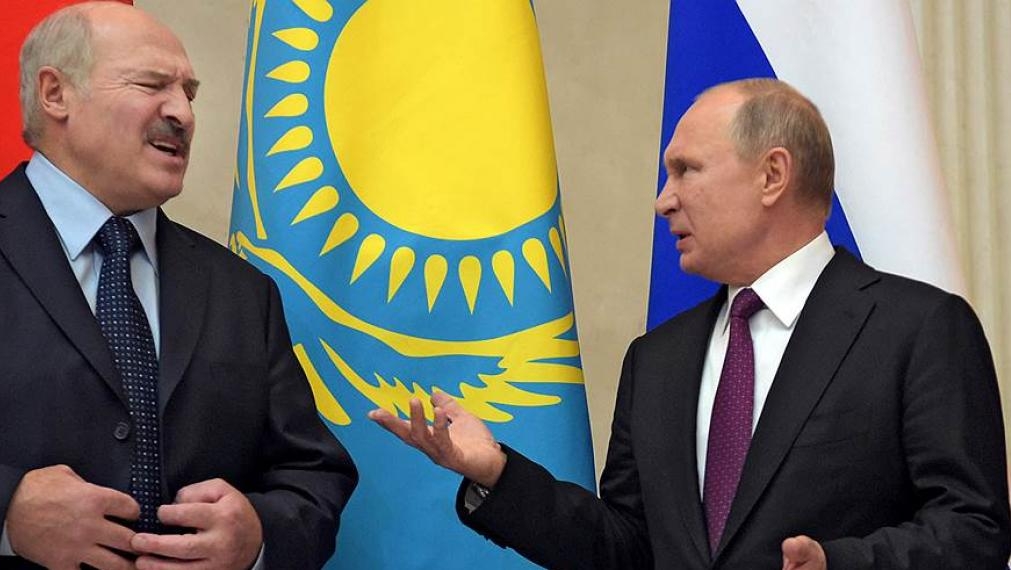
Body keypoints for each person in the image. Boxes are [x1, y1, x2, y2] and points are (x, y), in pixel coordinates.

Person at [371, 78, 1011, 569]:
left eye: (686, 170)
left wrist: (840, 564)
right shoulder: (657, 360)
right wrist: (496, 474)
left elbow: (975, 530)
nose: (664, 200)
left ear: (772, 175)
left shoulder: (916, 329)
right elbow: (625, 548)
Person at [0, 2, 356, 568]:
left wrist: (256, 536)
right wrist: (2, 513)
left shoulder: (241, 290)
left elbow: (312, 474)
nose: (183, 113)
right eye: (153, 85)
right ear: (55, 94)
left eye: (190, 93)